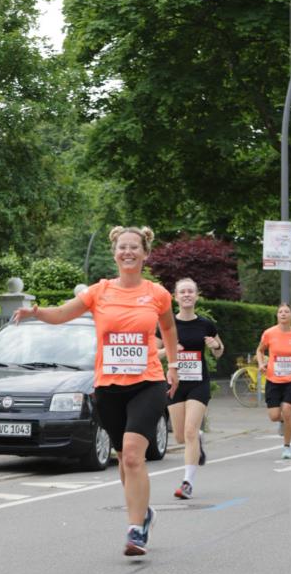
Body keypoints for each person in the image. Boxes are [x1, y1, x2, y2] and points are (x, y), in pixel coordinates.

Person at [13, 226, 179, 555]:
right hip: (108, 386)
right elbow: (63, 313)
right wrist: (38, 313)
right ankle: (143, 513)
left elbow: (169, 327)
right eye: (122, 247)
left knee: (133, 454)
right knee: (123, 459)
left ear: (145, 254)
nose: (128, 252)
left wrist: (173, 365)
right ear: (114, 253)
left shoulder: (157, 293)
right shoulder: (99, 291)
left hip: (147, 382)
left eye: (134, 247)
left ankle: (135, 531)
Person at [157, 278, 223, 499]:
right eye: (182, 292)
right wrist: (168, 351)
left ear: (196, 296)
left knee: (189, 431)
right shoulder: (166, 325)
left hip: (198, 383)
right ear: (175, 297)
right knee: (180, 437)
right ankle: (199, 439)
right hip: (175, 383)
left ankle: (187, 483)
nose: (186, 295)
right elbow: (152, 353)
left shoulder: (206, 324)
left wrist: (216, 346)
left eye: (190, 291)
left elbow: (218, 350)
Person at [256, 303, 291, 459]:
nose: (283, 314)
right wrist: (261, 363)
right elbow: (260, 350)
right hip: (273, 378)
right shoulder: (269, 333)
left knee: (287, 411)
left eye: (287, 312)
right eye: (280, 312)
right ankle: (282, 422)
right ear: (277, 315)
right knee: (274, 415)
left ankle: (286, 447)